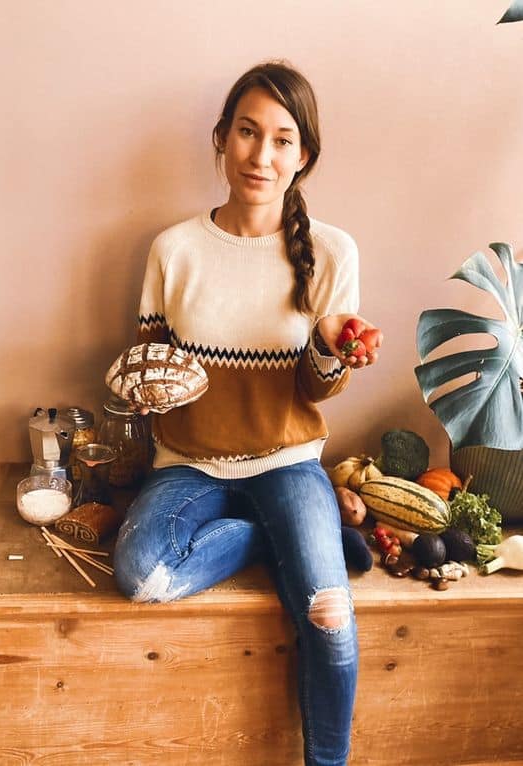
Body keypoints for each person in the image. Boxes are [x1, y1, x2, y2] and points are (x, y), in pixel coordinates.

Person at [114, 60, 378, 766]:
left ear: (305, 157)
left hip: (289, 461)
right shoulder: (173, 250)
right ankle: (269, 538)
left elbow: (321, 392)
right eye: (247, 132)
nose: (261, 156)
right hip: (188, 464)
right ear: (221, 138)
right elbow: (153, 373)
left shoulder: (332, 251)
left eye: (282, 140)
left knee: (328, 616)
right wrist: (137, 395)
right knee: (142, 576)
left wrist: (329, 350)